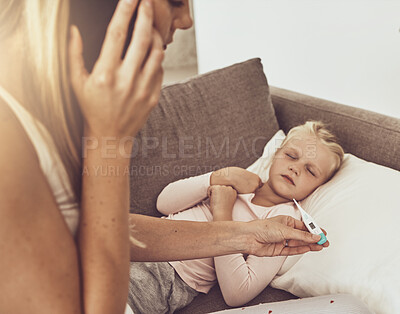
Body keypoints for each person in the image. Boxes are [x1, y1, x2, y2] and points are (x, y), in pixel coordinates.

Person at [0, 1, 328, 313]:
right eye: (174, 1)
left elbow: (101, 227)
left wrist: (242, 234)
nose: (187, 20)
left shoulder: (46, 117)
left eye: (311, 169)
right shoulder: (8, 136)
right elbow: (162, 204)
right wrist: (109, 139)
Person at [127, 121, 341, 313]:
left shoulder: (282, 219)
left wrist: (222, 211)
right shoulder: (241, 181)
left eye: (310, 171)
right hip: (139, 242)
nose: (295, 168)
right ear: (275, 155)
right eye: (291, 156)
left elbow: (237, 293)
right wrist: (218, 177)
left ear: (318, 188)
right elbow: (163, 204)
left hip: (166, 274)